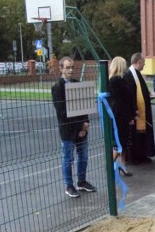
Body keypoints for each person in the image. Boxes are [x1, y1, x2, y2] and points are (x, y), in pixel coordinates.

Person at [51, 56, 96, 198]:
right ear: (61, 69)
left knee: (83, 156)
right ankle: (69, 185)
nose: (70, 70)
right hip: (68, 130)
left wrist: (85, 126)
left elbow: (84, 107)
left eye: (72, 67)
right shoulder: (57, 88)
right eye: (67, 67)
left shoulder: (78, 84)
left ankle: (81, 181)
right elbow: (62, 113)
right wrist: (79, 125)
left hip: (81, 129)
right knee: (68, 158)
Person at [122, 53, 155, 164]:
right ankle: (134, 157)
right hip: (136, 111)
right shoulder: (128, 75)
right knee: (135, 135)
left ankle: (142, 155)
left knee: (142, 133)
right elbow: (130, 94)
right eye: (143, 63)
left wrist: (148, 94)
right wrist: (134, 109)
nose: (144, 66)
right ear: (138, 63)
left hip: (142, 109)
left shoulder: (137, 74)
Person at [107, 56, 133, 176]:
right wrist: (129, 117)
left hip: (122, 114)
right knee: (119, 142)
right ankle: (109, 165)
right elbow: (120, 101)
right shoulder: (115, 81)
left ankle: (122, 165)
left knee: (124, 141)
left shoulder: (120, 80)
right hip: (119, 115)